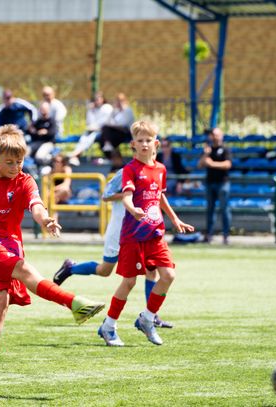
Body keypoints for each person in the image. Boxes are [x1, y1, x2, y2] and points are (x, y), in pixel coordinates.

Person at [0, 124, 104, 397]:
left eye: (19, 162)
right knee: (23, 269)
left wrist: (45, 220)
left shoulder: (25, 181)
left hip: (10, 248)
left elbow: (36, 206)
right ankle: (73, 303)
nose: (15, 167)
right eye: (9, 162)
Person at [98, 120, 194, 347]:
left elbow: (160, 195)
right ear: (133, 144)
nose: (144, 144)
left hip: (155, 233)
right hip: (133, 235)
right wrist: (132, 209)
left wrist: (174, 219)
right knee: (129, 282)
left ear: (156, 143)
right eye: (139, 140)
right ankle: (109, 326)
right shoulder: (130, 170)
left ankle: (147, 319)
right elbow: (127, 196)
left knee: (168, 275)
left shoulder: (160, 169)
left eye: (148, 140)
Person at [52, 167, 173, 345]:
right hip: (120, 230)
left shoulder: (155, 170)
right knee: (105, 270)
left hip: (143, 231)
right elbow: (106, 195)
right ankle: (71, 268)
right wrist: (132, 196)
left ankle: (151, 316)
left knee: (152, 271)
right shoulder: (126, 172)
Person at [198, 127, 232, 245]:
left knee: (225, 210)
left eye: (217, 135)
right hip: (210, 183)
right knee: (210, 210)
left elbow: (227, 164)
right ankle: (209, 235)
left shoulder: (226, 149)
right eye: (213, 135)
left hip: (223, 183)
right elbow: (200, 165)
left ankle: (226, 235)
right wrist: (205, 154)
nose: (215, 137)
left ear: (221, 136)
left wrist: (212, 164)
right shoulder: (208, 149)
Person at [68, 91, 113, 166]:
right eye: (95, 99)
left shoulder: (107, 107)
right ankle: (75, 156)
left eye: (98, 99)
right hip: (92, 130)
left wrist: (95, 127)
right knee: (83, 138)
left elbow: (104, 123)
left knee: (90, 138)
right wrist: (90, 110)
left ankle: (74, 155)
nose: (96, 101)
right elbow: (89, 122)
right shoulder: (93, 109)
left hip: (104, 131)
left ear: (103, 99)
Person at [100, 93, 135, 171]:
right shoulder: (115, 111)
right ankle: (116, 160)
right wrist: (114, 111)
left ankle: (115, 159)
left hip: (126, 133)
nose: (119, 103)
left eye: (121, 101)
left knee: (107, 133)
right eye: (117, 101)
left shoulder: (128, 110)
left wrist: (112, 124)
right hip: (115, 132)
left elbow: (123, 124)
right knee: (104, 132)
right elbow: (108, 121)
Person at [27, 101, 57, 166]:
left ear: (48, 110)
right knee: (23, 153)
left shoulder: (52, 121)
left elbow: (53, 133)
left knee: (39, 157)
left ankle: (49, 164)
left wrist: (46, 132)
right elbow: (32, 133)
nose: (43, 111)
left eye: (44, 109)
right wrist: (30, 130)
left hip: (48, 143)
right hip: (37, 142)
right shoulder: (38, 121)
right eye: (42, 109)